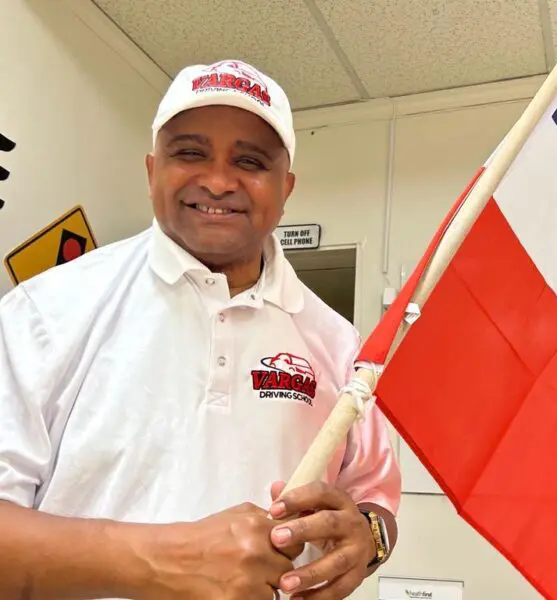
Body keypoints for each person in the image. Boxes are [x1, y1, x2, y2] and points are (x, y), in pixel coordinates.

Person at [0, 59, 401, 599]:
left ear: (286, 188)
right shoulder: (43, 313)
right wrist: (168, 562)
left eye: (250, 161)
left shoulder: (338, 343)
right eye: (190, 153)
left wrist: (369, 539)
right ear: (151, 171)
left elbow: (373, 495)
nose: (217, 181)